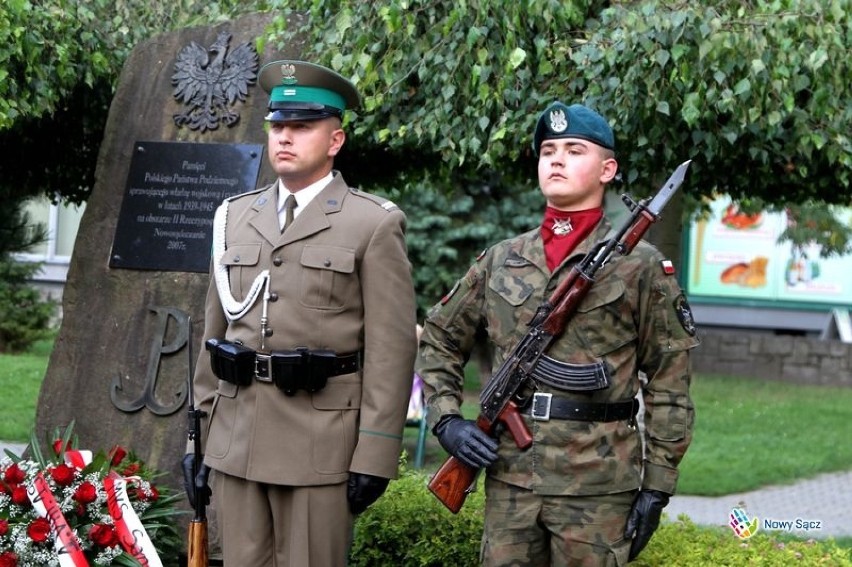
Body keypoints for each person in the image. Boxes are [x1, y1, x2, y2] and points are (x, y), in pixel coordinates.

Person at [417, 101, 698, 566]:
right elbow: (440, 339)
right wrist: (447, 420)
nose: (557, 159)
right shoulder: (502, 258)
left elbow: (670, 378)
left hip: (598, 484)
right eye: (548, 150)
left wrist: (658, 483)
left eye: (574, 149)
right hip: (510, 478)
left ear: (608, 169)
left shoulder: (641, 266)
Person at [182, 59, 418, 566]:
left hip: (320, 446)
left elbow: (391, 350)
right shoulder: (234, 216)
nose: (284, 138)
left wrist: (374, 454)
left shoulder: (371, 223)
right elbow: (215, 333)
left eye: (301, 127)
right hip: (237, 439)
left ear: (335, 141)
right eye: (277, 126)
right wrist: (200, 439)